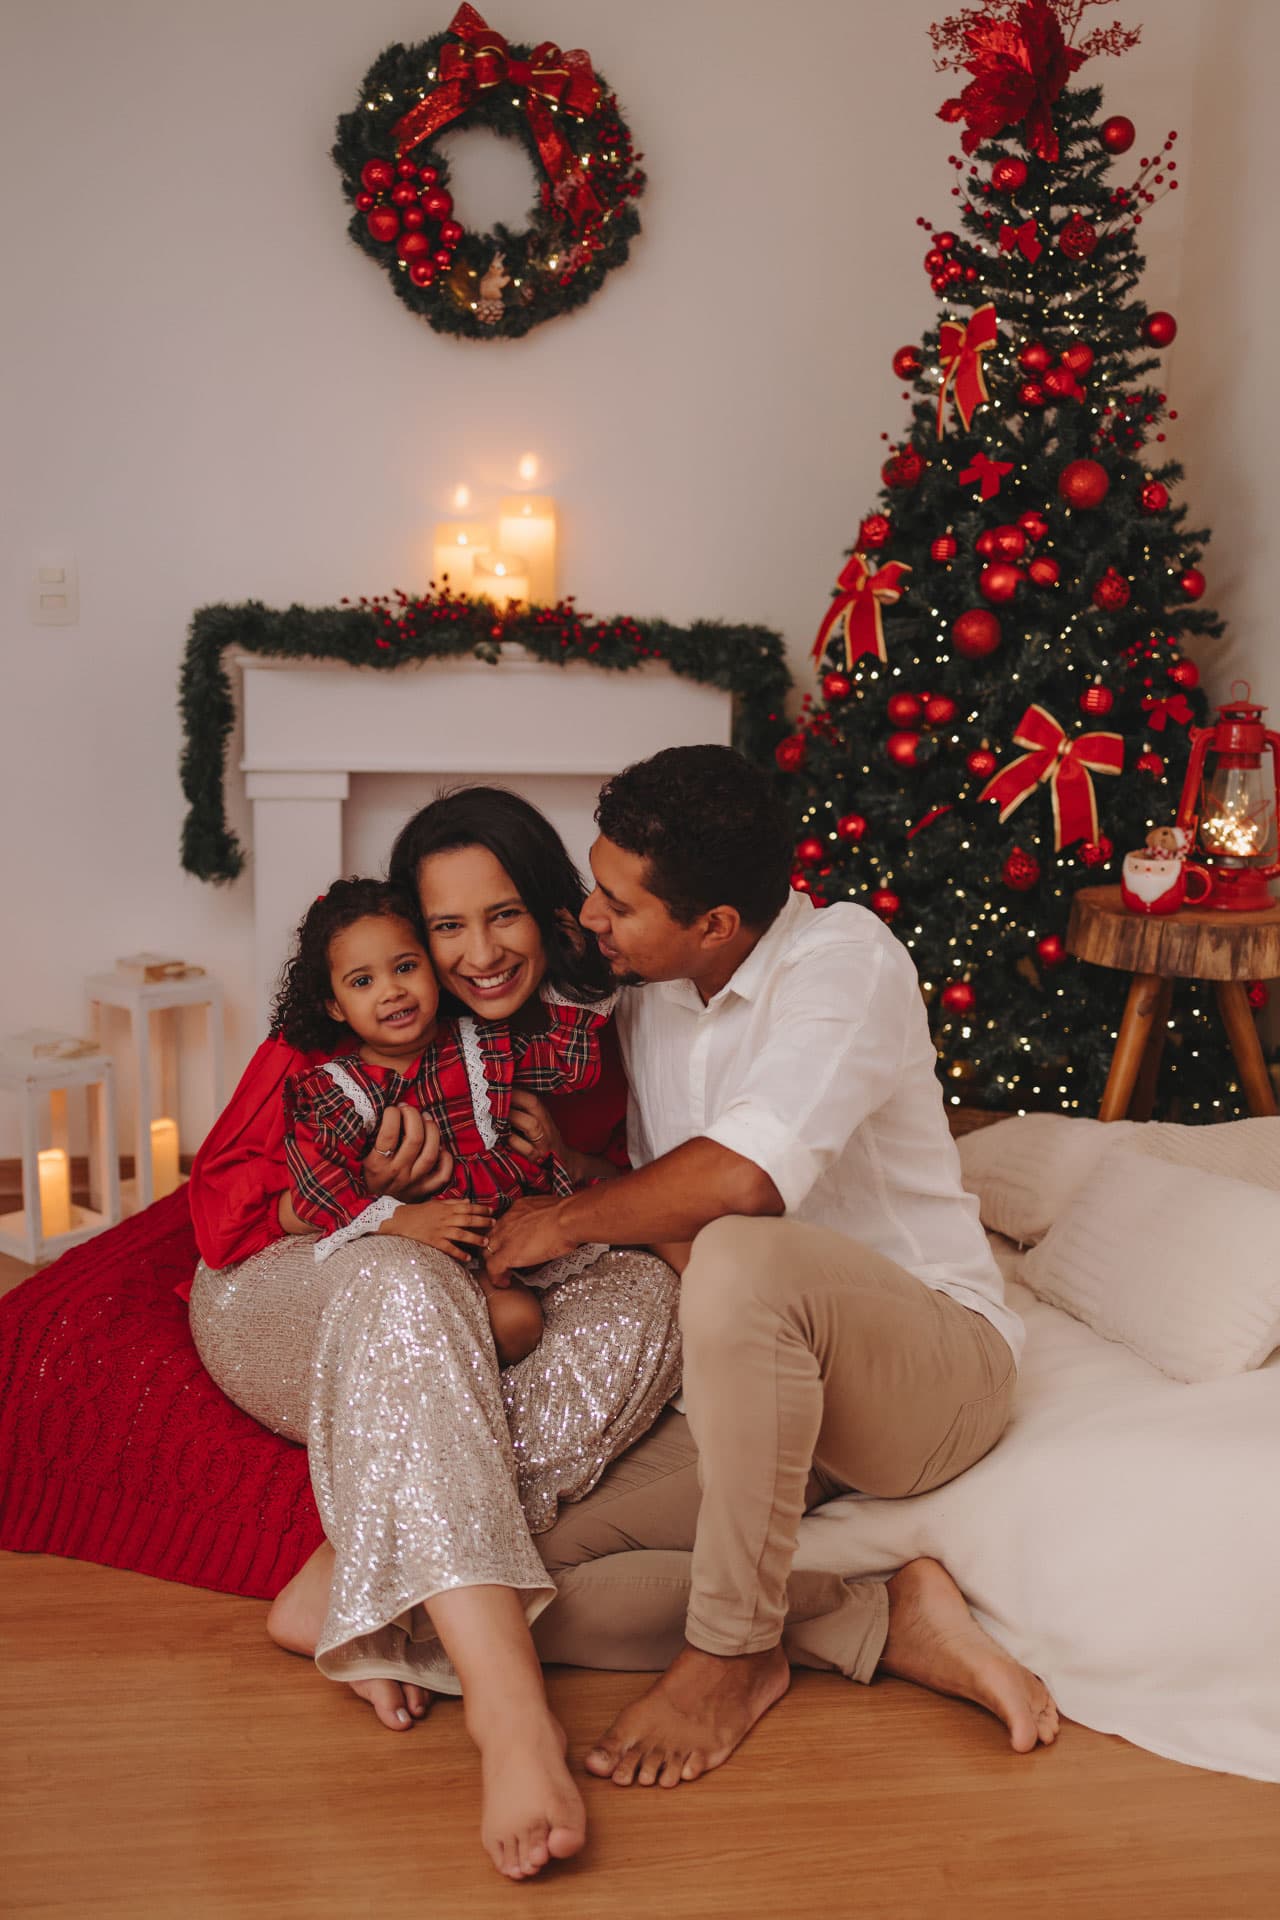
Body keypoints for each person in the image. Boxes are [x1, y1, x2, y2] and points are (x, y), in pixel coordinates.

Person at [485, 745, 1060, 1788]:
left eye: (618, 902)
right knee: (519, 1571)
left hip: (928, 1377)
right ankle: (871, 1616)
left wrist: (569, 1219)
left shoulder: (845, 961)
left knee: (743, 1250)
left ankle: (730, 1655)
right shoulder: (648, 984)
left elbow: (742, 1185)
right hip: (754, 1384)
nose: (591, 918)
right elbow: (682, 1217)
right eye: (591, 885)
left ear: (715, 924)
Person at [187, 788, 682, 1882]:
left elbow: (621, 1194)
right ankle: (509, 1718)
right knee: (412, 1281)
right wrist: (363, 1199)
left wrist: (576, 1169)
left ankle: (343, 1573)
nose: (474, 953)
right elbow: (222, 1214)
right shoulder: (338, 1041)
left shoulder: (560, 1041)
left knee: (644, 1296)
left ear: (548, 916)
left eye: (500, 915)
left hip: (480, 1285)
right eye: (443, 927)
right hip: (295, 1291)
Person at [276, 875, 618, 1363]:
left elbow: (568, 1066)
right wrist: (400, 1217)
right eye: (363, 981)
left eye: (406, 967)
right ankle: (435, 1375)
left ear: (433, 971)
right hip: (414, 1251)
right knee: (493, 1319)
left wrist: (577, 960)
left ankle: (473, 1360)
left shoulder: (482, 1042)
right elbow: (316, 1188)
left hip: (504, 1228)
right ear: (334, 1005)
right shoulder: (335, 1091)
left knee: (521, 1324)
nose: (392, 991)